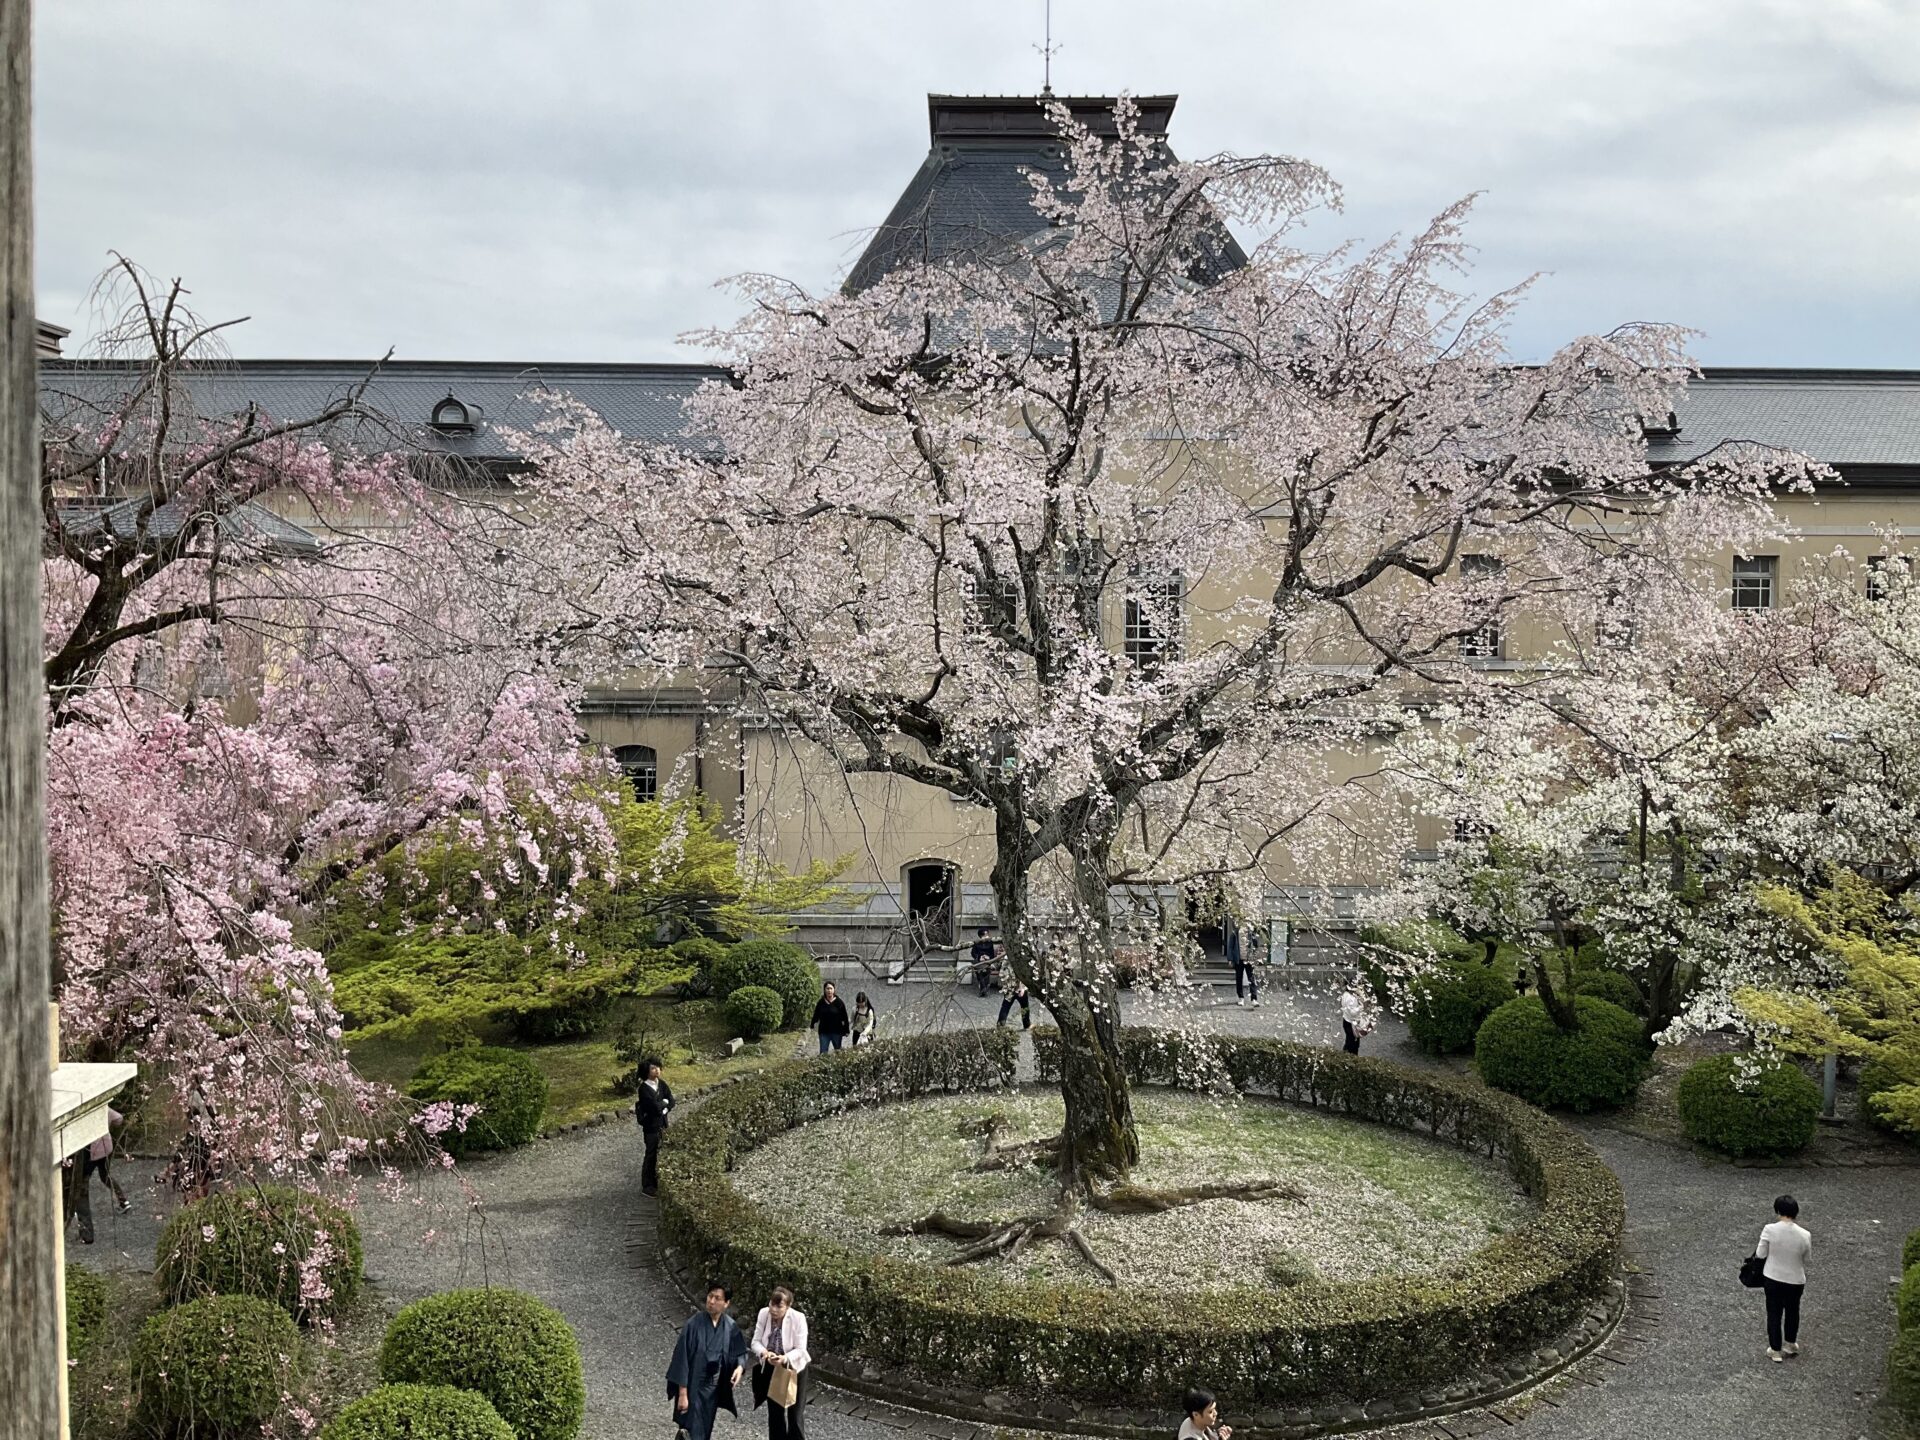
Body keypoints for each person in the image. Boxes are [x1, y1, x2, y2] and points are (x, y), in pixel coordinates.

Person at [668, 1282, 750, 1440]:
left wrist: (740, 1367)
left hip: (713, 1387)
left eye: (717, 1298)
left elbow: (740, 1351)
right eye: (710, 1296)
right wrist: (683, 1393)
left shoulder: (730, 1326)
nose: (711, 1301)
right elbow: (681, 1359)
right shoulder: (693, 1324)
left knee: (705, 1429)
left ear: (726, 1303)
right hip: (693, 1385)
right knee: (691, 1429)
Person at [749, 1284, 812, 1440]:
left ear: (788, 1307)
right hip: (772, 1367)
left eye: (779, 1306)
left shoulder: (798, 1318)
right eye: (772, 1304)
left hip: (794, 1368)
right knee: (775, 1414)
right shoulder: (764, 1314)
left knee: (795, 1414)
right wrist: (765, 1352)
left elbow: (801, 1349)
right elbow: (755, 1342)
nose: (774, 1309)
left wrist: (785, 1358)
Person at [1757, 1193, 1812, 1362]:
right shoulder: (1805, 1234)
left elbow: (1760, 1253)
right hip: (1795, 1279)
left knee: (1774, 1312)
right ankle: (1790, 1343)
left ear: (1778, 1211)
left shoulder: (1769, 1229)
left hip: (1773, 1276)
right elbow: (1807, 1259)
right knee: (1792, 1311)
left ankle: (1775, 1350)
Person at [634, 1057, 674, 1197]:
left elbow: (671, 1100)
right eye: (653, 1068)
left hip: (663, 1123)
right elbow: (653, 1108)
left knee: (663, 1151)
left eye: (658, 1067)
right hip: (651, 1127)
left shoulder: (661, 1084)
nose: (657, 1070)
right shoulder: (644, 1089)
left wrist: (665, 1107)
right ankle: (647, 1185)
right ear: (647, 1071)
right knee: (651, 1154)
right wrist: (663, 1104)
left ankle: (658, 1180)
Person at [1227, 922, 1260, 1008]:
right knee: (1239, 978)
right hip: (1238, 960)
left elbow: (1256, 945)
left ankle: (1254, 999)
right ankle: (1241, 997)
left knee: (1251, 979)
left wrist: (1254, 956)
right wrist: (1230, 959)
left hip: (1249, 959)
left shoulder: (1251, 933)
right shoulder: (1235, 933)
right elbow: (1230, 946)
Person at [811, 982, 850, 1055]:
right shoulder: (821, 1002)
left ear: (834, 990)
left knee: (838, 1052)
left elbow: (845, 1017)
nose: (829, 991)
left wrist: (846, 1030)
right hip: (824, 1031)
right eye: (827, 989)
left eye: (831, 988)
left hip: (837, 1031)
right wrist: (812, 1024)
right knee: (823, 1053)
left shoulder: (839, 1002)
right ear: (824, 990)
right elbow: (816, 1014)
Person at [1339, 981, 1373, 1055]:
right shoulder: (1350, 998)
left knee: (1350, 1041)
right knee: (1352, 1043)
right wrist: (1362, 1006)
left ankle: (1347, 1055)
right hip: (1351, 1023)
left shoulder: (1347, 994)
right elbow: (1352, 1013)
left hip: (1348, 1021)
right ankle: (1350, 1057)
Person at [969, 926, 999, 997]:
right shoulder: (977, 943)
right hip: (979, 961)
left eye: (987, 934)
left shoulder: (990, 943)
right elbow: (973, 953)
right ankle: (984, 988)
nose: (987, 936)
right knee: (980, 970)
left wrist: (988, 957)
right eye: (985, 935)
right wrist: (980, 957)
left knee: (986, 969)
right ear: (981, 936)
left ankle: (983, 989)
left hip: (987, 961)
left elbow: (992, 954)